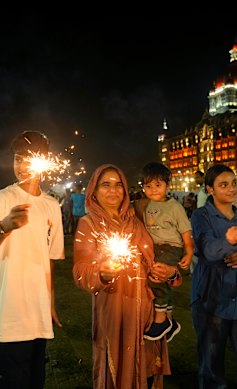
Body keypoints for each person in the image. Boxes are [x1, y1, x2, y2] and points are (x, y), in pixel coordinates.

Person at [73, 163, 180, 389]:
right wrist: (101, 274)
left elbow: (159, 254)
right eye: (106, 185)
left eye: (118, 185)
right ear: (94, 191)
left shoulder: (137, 217)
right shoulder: (89, 224)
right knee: (119, 371)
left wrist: (170, 272)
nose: (113, 190)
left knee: (148, 371)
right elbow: (81, 271)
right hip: (115, 308)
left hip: (148, 308)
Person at [0, 130, 64, 388]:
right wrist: (3, 226)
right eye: (17, 158)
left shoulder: (51, 206)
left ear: (44, 161)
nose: (22, 164)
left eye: (29, 158)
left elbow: (50, 259)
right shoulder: (1, 200)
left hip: (37, 313)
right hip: (8, 312)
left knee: (34, 380)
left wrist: (50, 302)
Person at [190, 164, 237, 388]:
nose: (231, 189)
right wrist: (229, 241)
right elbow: (208, 250)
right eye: (223, 185)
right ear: (210, 189)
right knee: (212, 366)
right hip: (211, 298)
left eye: (233, 183)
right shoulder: (201, 216)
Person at [134, 162, 193, 343]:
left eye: (158, 185)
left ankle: (161, 320)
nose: (153, 190)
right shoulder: (146, 204)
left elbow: (185, 232)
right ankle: (169, 319)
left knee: (157, 276)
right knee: (160, 278)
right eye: (148, 186)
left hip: (171, 247)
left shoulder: (175, 207)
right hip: (155, 247)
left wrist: (189, 253)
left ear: (168, 185)